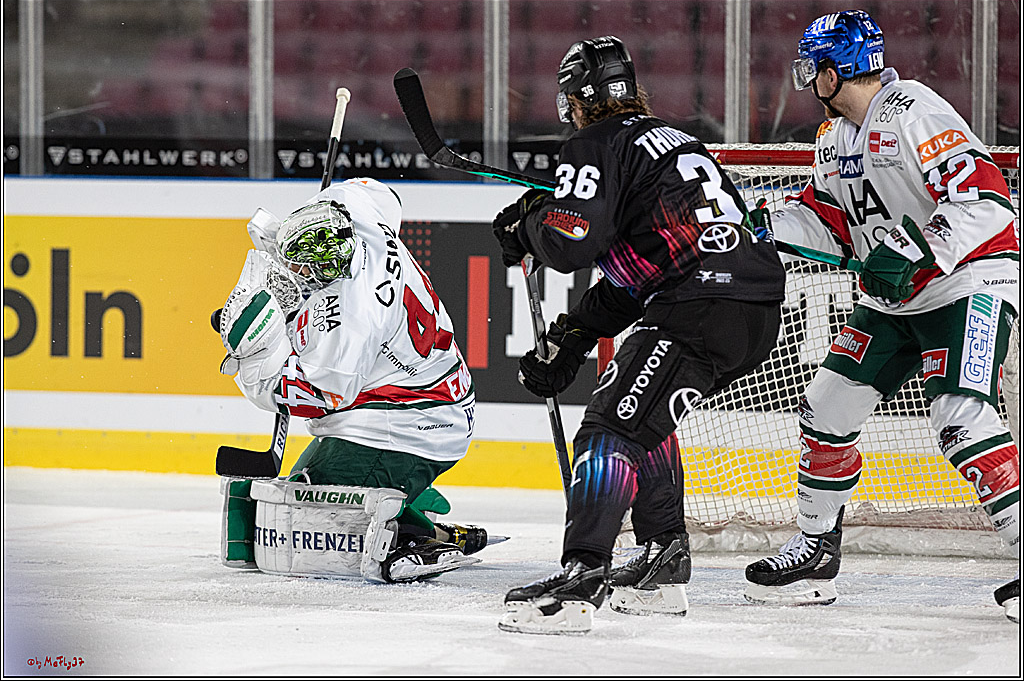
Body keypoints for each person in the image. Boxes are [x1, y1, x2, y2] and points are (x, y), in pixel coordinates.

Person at [490, 35, 787, 634]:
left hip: (699, 302)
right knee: (645, 418)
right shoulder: (673, 141)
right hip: (751, 306)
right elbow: (639, 269)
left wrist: (528, 227)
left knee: (609, 427)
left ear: (576, 98)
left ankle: (581, 578)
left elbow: (574, 243)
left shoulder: (594, 143)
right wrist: (574, 336)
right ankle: (662, 561)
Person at [741, 10, 1019, 624]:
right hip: (895, 300)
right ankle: (816, 550)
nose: (808, 79)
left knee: (962, 418)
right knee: (828, 404)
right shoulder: (833, 138)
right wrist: (762, 224)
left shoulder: (912, 110)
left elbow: (989, 199)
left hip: (968, 283)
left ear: (838, 69)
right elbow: (832, 224)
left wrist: (920, 247)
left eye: (814, 68)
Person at [218, 177, 484, 583]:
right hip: (421, 399)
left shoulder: (354, 319)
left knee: (304, 519)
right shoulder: (354, 209)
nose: (297, 275)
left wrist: (256, 354)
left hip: (406, 426)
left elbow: (316, 396)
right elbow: (379, 192)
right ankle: (402, 497)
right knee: (289, 507)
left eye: (304, 269)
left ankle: (417, 532)